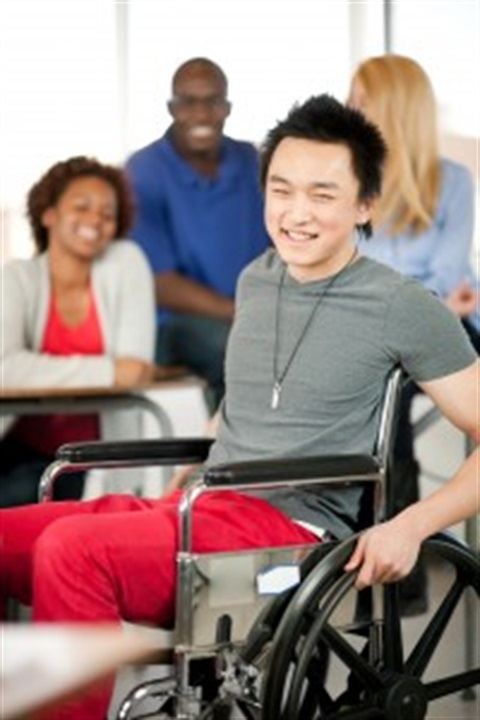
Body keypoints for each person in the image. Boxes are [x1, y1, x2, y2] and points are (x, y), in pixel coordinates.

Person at [1, 96, 478, 720]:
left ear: (365, 205)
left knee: (73, 547)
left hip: (290, 540)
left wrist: (411, 525)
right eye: (281, 190)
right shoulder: (256, 278)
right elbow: (250, 395)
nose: (296, 213)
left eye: (323, 195)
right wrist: (194, 457)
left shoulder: (402, 305)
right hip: (209, 506)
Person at [348, 54, 479, 613]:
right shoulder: (352, 182)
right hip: (380, 329)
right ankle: (393, 579)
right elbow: (357, 273)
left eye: (359, 101)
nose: (348, 110)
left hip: (447, 322)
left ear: (391, 110)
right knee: (383, 412)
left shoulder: (454, 181)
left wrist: (428, 298)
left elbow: (450, 278)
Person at [0, 156, 156, 507]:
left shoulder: (125, 263)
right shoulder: (16, 278)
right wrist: (106, 370)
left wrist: (37, 370)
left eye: (107, 214)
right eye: (81, 207)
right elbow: (4, 369)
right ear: (48, 214)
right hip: (12, 445)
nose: (95, 221)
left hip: (75, 460)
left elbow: (134, 371)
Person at [125, 57, 270, 412]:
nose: (202, 114)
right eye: (188, 102)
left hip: (248, 314)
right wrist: (238, 312)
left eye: (213, 102)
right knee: (242, 350)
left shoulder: (251, 160)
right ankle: (231, 459)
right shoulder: (143, 171)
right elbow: (159, 282)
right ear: (172, 108)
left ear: (228, 107)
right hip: (173, 325)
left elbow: (279, 247)